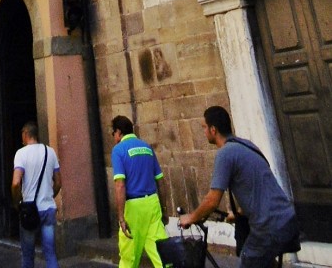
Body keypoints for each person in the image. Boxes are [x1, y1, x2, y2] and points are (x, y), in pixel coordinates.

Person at [178, 106, 300, 268]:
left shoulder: (225, 153)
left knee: (249, 258)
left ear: (213, 130)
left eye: (204, 127)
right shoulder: (247, 145)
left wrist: (191, 217)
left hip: (269, 227)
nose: (204, 132)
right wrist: (238, 213)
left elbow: (212, 200)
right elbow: (259, 185)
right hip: (286, 219)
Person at [111, 114, 169, 268]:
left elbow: (120, 185)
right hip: (152, 203)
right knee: (161, 254)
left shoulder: (118, 150)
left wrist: (121, 217)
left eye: (113, 133)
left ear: (118, 132)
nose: (113, 137)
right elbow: (161, 181)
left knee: (129, 257)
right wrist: (164, 209)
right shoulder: (147, 147)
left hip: (133, 208)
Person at [11, 121, 62, 268]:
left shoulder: (21, 154)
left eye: (22, 135)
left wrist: (17, 202)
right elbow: (58, 181)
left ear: (26, 134)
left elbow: (15, 183)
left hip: (30, 210)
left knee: (28, 255)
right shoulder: (50, 152)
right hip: (48, 209)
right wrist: (50, 195)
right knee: (50, 253)